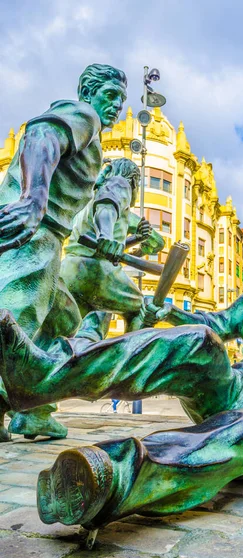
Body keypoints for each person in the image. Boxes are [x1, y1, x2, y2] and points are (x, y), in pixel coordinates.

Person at [0, 231, 243, 530]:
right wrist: (171, 312)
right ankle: (41, 379)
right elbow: (218, 325)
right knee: (201, 341)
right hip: (235, 386)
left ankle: (110, 477)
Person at [0, 63, 128, 441]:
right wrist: (34, 196)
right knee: (16, 319)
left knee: (64, 319)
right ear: (89, 93)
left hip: (50, 242)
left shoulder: (93, 142)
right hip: (33, 232)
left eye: (121, 100)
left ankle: (35, 410)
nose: (116, 105)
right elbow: (41, 135)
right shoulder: (82, 114)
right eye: (110, 95)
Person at [60, 157, 165, 333]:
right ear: (134, 180)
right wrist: (106, 235)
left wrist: (137, 239)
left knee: (87, 326)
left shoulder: (90, 198)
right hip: (96, 272)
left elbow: (109, 247)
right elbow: (107, 207)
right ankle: (131, 359)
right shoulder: (119, 183)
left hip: (70, 272)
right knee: (140, 309)